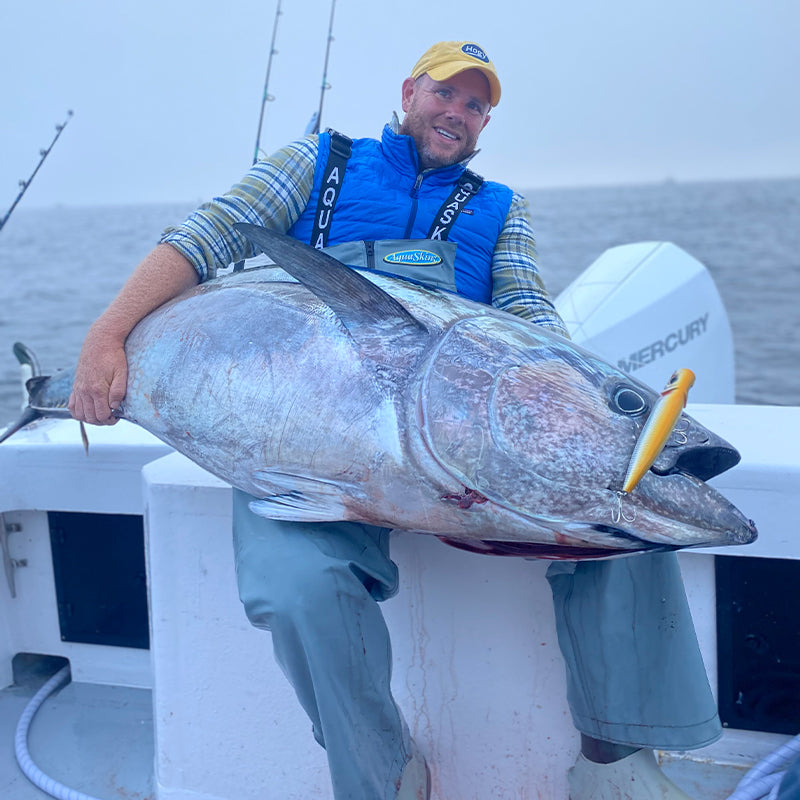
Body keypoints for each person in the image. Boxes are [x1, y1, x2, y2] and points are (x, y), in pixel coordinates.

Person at [68, 40, 720, 800]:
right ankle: (384, 774)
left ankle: (618, 765)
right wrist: (106, 336)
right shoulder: (320, 162)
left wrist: (571, 398)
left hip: (454, 443)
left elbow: (526, 307)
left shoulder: (497, 207)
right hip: (309, 438)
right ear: (410, 91)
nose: (459, 113)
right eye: (448, 93)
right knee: (293, 588)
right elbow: (208, 235)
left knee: (626, 517)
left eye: (477, 106)